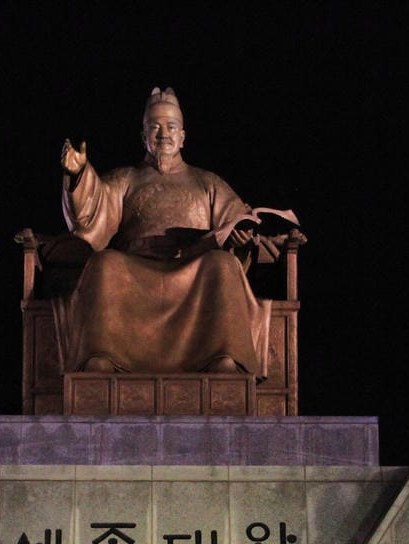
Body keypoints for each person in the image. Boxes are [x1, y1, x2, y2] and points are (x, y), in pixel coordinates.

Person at [52, 87, 297, 377]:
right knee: (104, 263)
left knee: (222, 264)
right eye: (154, 127)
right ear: (143, 136)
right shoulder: (126, 179)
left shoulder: (207, 182)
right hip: (137, 268)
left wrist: (241, 241)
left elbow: (237, 220)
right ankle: (100, 358)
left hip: (193, 268)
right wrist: (80, 174)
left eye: (171, 127)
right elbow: (92, 212)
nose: (163, 134)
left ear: (183, 136)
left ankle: (224, 359)